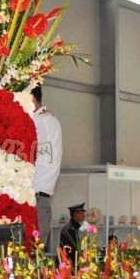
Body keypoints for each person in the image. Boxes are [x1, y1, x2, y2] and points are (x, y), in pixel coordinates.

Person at [31, 86, 63, 249]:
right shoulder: (39, 121)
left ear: (31, 99)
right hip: (30, 199)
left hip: (35, 199)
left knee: (30, 255)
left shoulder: (44, 122)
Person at [60, 202, 85, 269]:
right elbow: (68, 249)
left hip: (74, 262)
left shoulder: (74, 227)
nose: (84, 215)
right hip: (70, 264)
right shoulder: (70, 229)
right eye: (82, 213)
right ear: (75, 214)